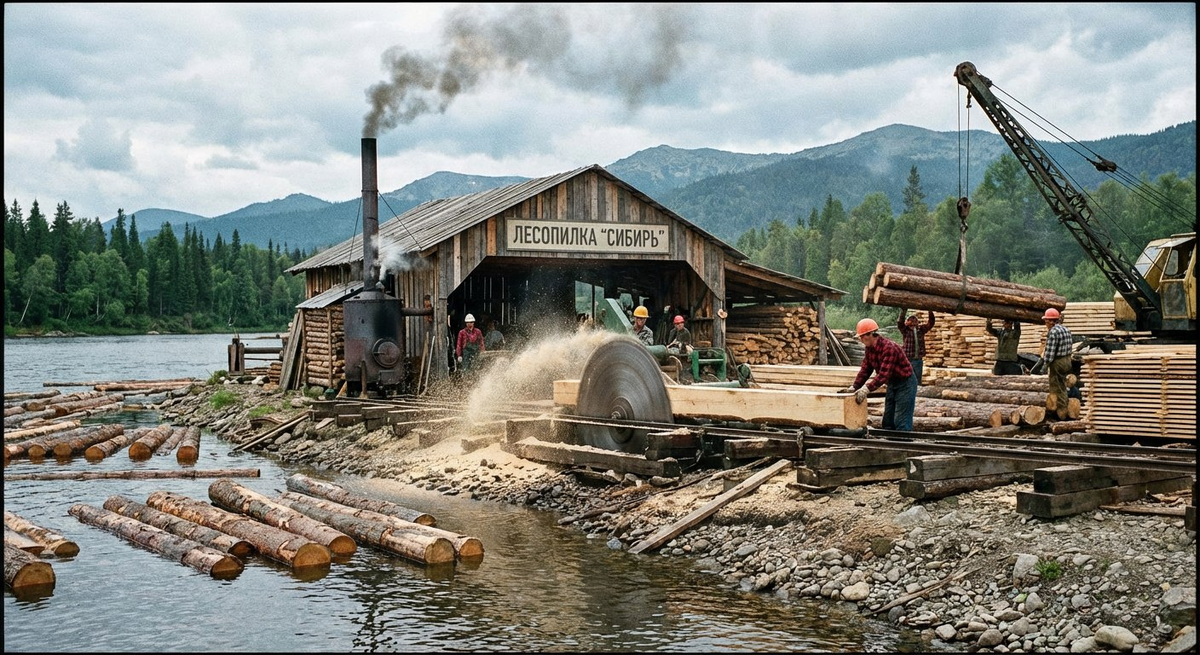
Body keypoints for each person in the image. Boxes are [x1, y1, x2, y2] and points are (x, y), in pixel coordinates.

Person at [841, 317, 916, 432]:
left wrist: (866, 389)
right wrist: (854, 387)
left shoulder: (889, 348)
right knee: (888, 422)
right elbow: (865, 370)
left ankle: (904, 442)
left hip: (905, 383)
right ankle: (889, 443)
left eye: (862, 336)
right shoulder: (869, 349)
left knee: (901, 422)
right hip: (892, 383)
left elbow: (883, 375)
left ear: (871, 334)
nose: (861, 340)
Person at [1040, 307, 1073, 420]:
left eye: (1046, 321)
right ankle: (1066, 408)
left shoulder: (1053, 332)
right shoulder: (1066, 329)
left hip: (1058, 362)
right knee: (1062, 385)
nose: (1046, 324)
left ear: (1051, 321)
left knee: (1056, 387)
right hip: (1067, 360)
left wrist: (1045, 365)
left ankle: (1061, 413)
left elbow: (1050, 352)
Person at [896, 308, 935, 386]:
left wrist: (930, 311)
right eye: (911, 322)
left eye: (915, 322)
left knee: (917, 381)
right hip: (907, 359)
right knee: (906, 380)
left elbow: (931, 323)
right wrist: (904, 310)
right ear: (908, 323)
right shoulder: (905, 330)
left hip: (917, 360)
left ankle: (917, 392)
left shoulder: (920, 330)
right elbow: (900, 322)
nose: (913, 324)